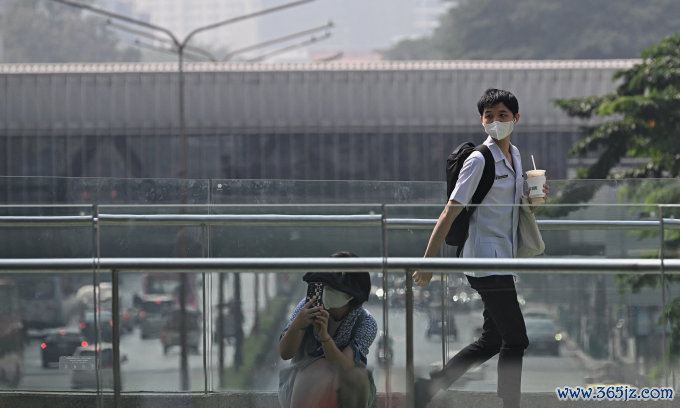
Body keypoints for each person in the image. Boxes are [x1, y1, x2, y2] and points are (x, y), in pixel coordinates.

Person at [412, 89, 550, 408]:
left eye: (503, 115)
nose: (495, 121)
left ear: (516, 119)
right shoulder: (478, 159)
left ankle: (429, 387)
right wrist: (429, 262)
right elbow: (450, 210)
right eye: (489, 116)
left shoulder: (515, 156)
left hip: (505, 256)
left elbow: (515, 208)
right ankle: (509, 403)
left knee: (494, 340)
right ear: (481, 120)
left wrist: (534, 200)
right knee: (516, 338)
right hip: (485, 259)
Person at [278, 252, 378, 408]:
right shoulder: (308, 307)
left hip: (345, 389)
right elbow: (285, 353)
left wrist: (324, 337)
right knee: (321, 367)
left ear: (351, 296)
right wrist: (297, 324)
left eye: (333, 288)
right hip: (301, 384)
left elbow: (345, 366)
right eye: (324, 285)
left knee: (358, 374)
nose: (326, 291)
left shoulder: (365, 323)